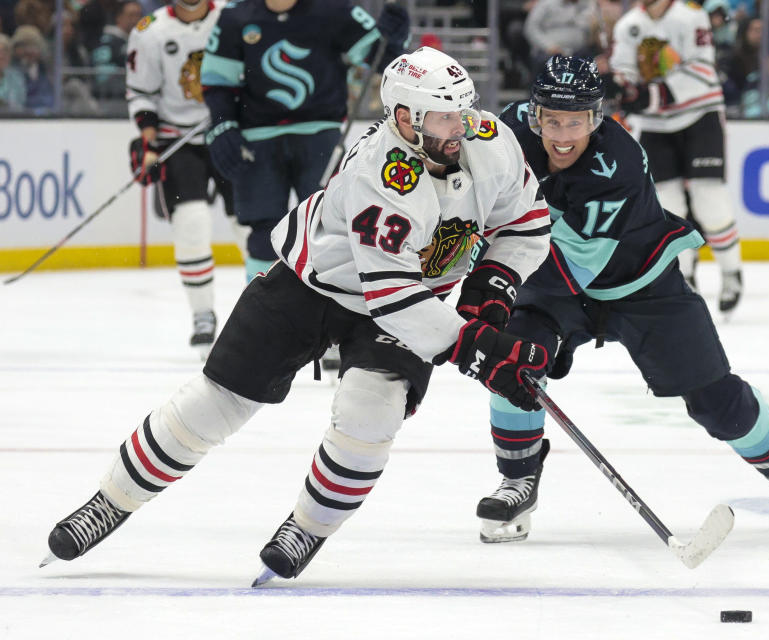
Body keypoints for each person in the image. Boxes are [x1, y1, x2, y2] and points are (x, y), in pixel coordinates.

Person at [41, 47, 552, 586]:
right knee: (216, 401)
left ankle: (309, 525)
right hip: (315, 286)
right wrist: (476, 349)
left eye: (464, 111)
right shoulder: (383, 174)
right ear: (405, 118)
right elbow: (392, 295)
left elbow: (527, 223)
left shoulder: (489, 140)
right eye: (445, 116)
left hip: (403, 303)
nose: (462, 126)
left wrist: (493, 286)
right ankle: (110, 501)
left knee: (370, 415)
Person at [475, 56, 769, 544]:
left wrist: (490, 286)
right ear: (533, 113)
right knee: (515, 358)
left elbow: (573, 267)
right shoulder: (502, 135)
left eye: (575, 120)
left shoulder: (616, 162)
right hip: (552, 278)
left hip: (639, 285)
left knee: (715, 399)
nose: (562, 134)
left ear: (596, 118)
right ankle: (518, 479)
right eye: (551, 120)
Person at [200, 0, 411, 283]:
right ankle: (260, 315)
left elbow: (383, 61)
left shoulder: (334, 9)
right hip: (258, 140)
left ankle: (327, 317)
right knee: (265, 231)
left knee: (330, 227)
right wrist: (222, 126)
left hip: (320, 136)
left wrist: (393, 40)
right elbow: (217, 82)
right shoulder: (235, 15)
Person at [125, 0, 246, 356]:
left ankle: (272, 309)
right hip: (177, 141)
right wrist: (147, 141)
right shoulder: (150, 32)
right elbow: (141, 91)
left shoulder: (232, 16)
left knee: (250, 227)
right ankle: (202, 314)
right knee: (191, 224)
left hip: (228, 132)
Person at [608, 0, 744, 313]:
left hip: (700, 115)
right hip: (656, 124)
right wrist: (622, 87)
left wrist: (650, 95)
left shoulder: (691, 16)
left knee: (709, 199)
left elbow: (701, 69)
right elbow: (625, 70)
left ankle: (731, 271)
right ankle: (684, 276)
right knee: (668, 206)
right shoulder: (628, 25)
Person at [91, 0, 141, 104]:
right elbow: (102, 78)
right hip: (112, 101)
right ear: (119, 17)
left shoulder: (140, 41)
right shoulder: (109, 42)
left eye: (138, 15)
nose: (135, 20)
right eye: (131, 15)